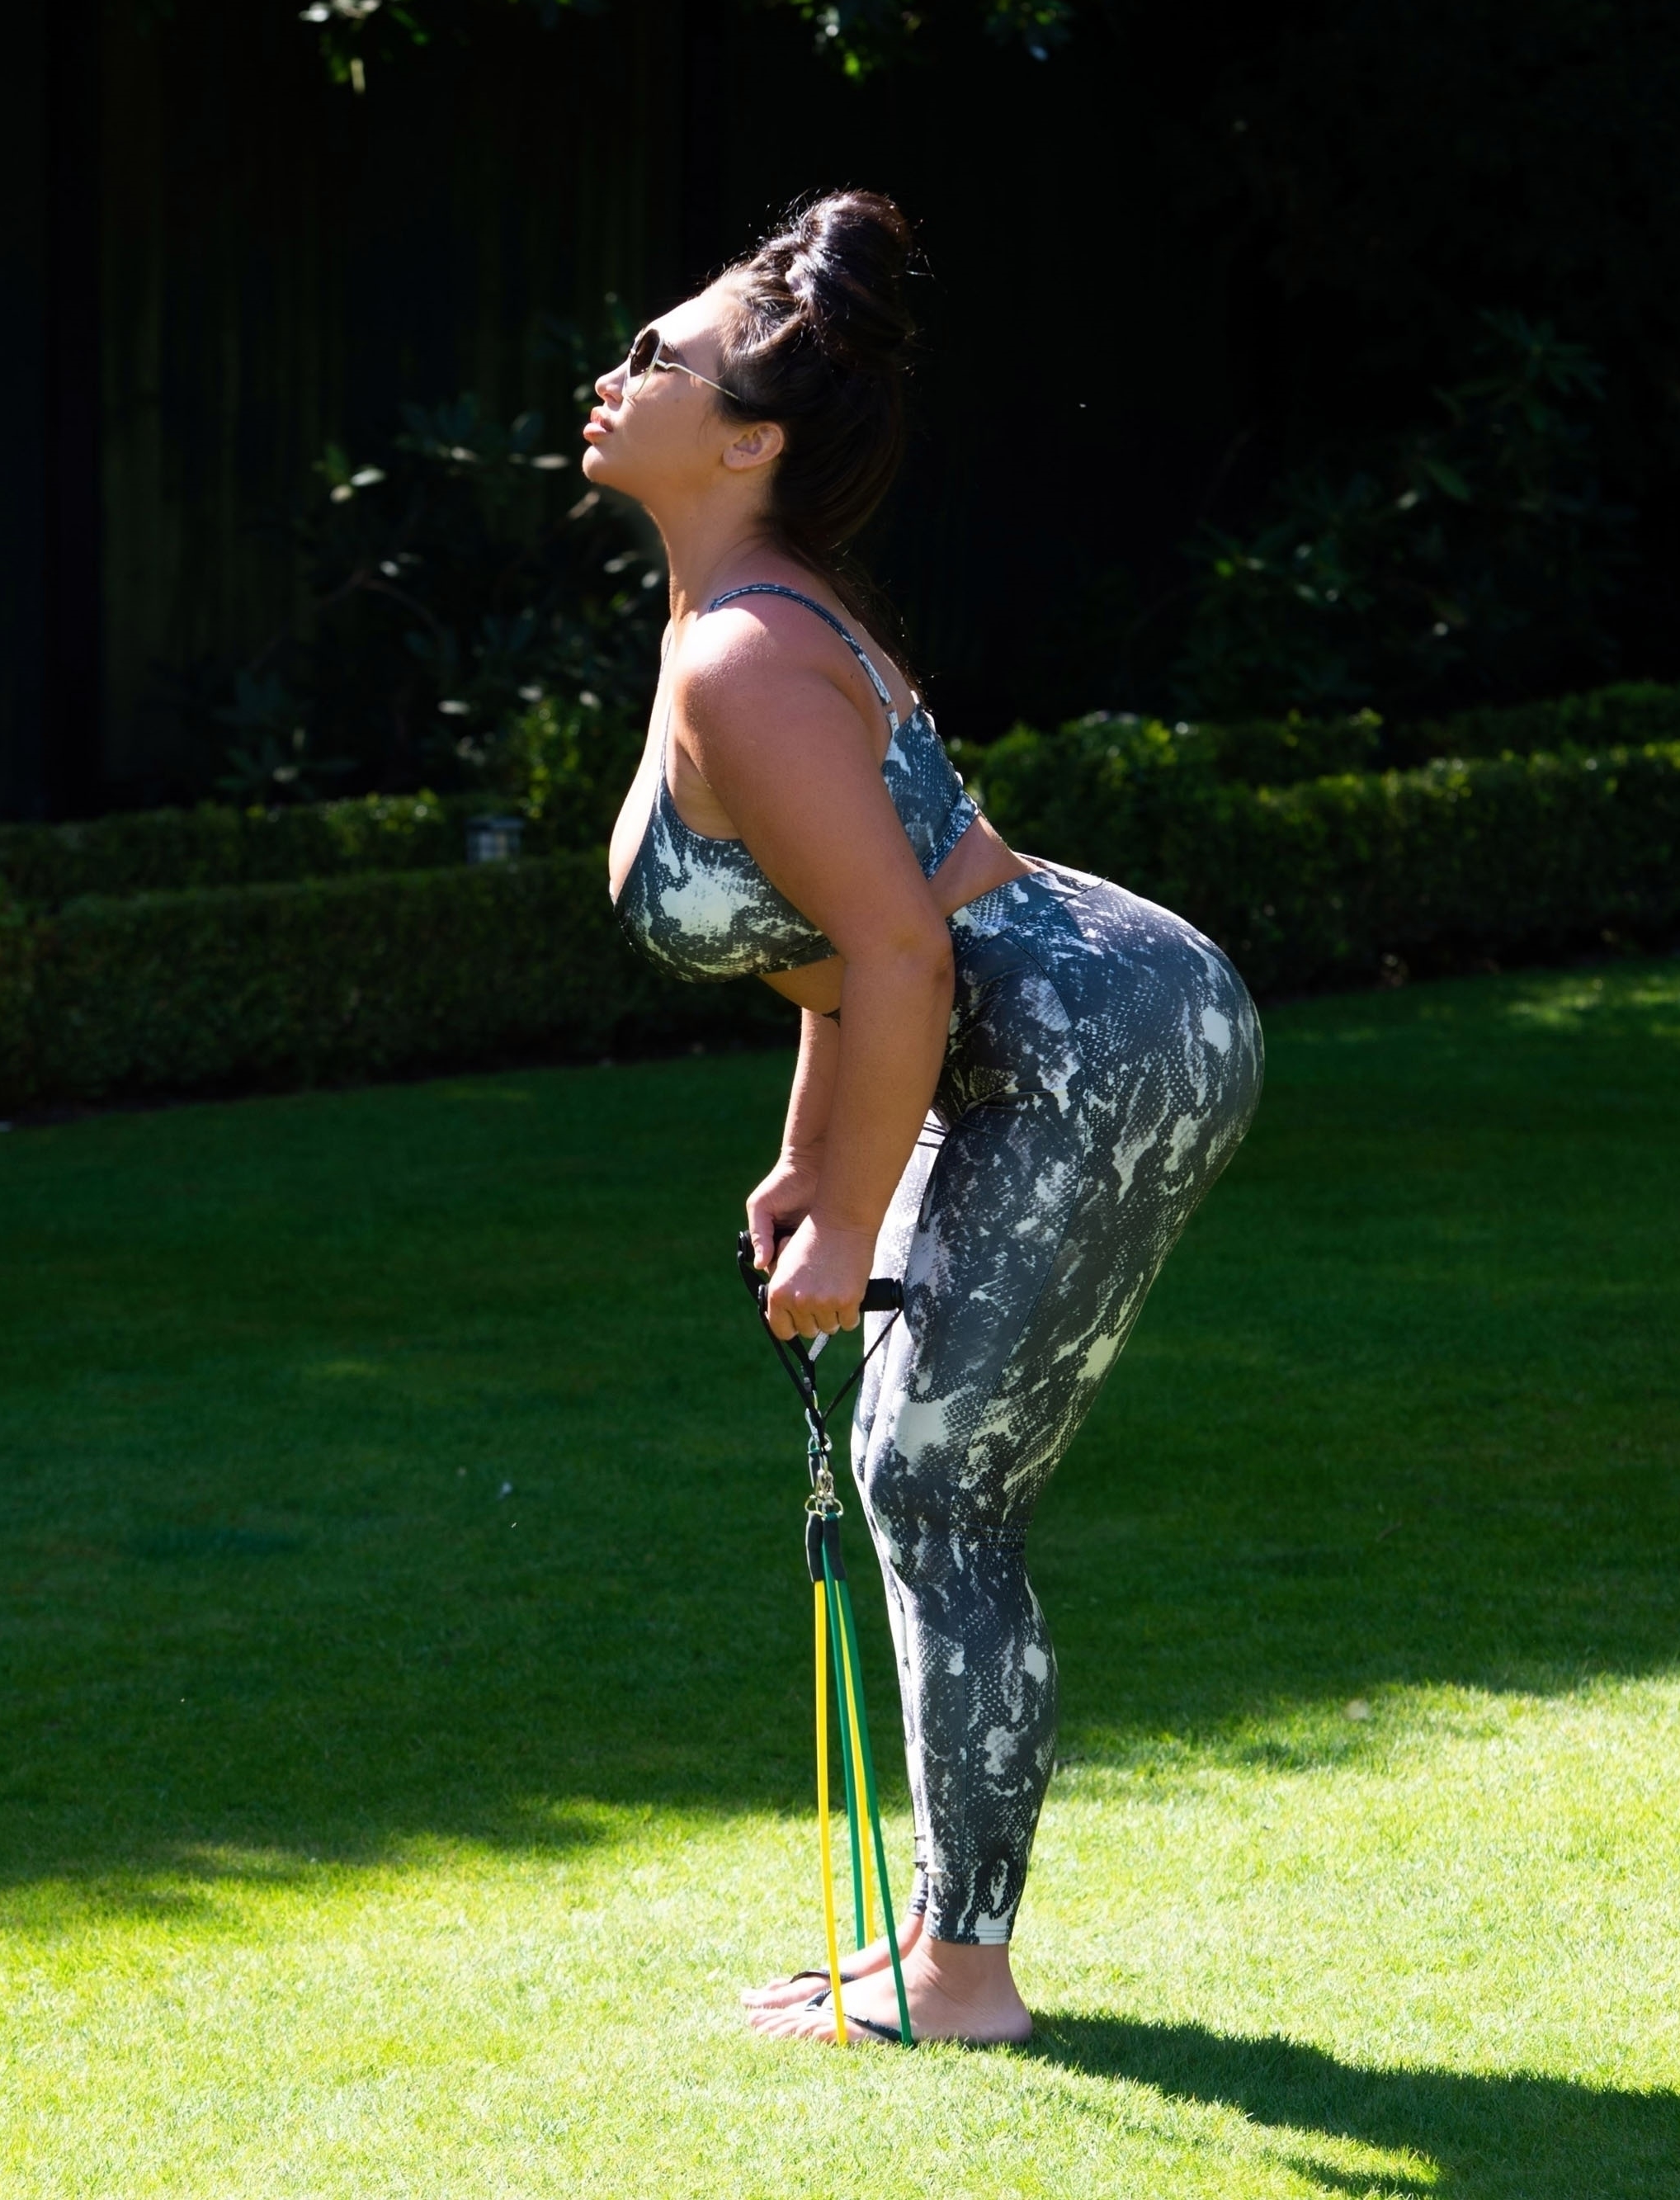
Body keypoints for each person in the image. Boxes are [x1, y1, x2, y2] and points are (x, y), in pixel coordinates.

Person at [592, 191, 1264, 2046]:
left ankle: (960, 1971)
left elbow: (901, 957)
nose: (615, 371)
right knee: (920, 1473)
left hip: (1096, 1036)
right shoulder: (745, 622)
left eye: (660, 356)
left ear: (748, 439)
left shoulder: (743, 650)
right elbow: (840, 957)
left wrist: (841, 1221)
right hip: (1051, 1022)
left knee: (929, 1477)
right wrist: (816, 1166)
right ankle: (931, 1947)